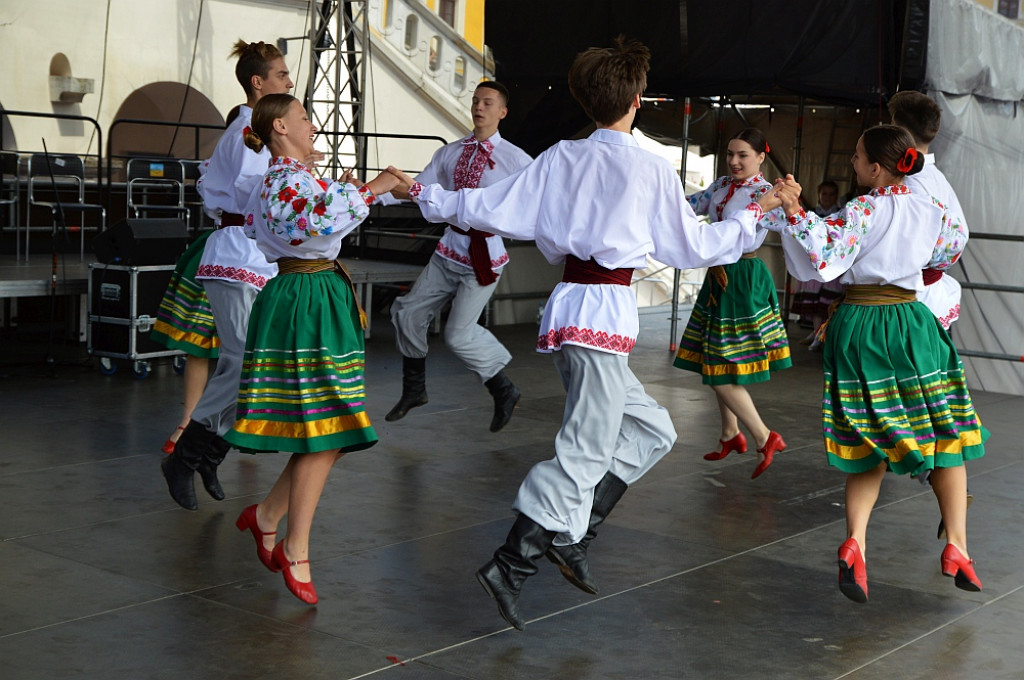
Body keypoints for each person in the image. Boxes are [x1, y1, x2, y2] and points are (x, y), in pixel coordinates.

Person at [389, 38, 782, 630]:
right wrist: (756, 213)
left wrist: (419, 190)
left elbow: (486, 206)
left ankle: (574, 535)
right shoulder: (647, 166)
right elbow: (694, 246)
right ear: (637, 100)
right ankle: (511, 564)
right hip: (598, 314)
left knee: (653, 428)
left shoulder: (559, 157)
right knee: (584, 448)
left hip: (578, 309)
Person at [769, 124, 986, 604]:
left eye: (857, 156)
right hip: (910, 320)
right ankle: (957, 546)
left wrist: (792, 209)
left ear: (876, 168)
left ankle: (856, 543)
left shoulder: (864, 207)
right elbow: (949, 249)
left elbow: (824, 253)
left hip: (862, 322)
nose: (851, 162)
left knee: (869, 439)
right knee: (944, 430)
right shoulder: (930, 205)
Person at [227, 93, 398, 604]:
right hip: (306, 297)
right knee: (326, 426)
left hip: (315, 294)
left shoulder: (291, 178)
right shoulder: (281, 180)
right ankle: (294, 545)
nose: (313, 125)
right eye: (304, 117)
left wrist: (351, 188)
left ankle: (268, 517)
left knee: (330, 425)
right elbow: (316, 224)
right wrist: (375, 186)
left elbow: (329, 217)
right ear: (280, 125)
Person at [161, 40, 290, 511]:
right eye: (280, 75)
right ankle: (187, 455)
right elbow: (258, 192)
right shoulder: (247, 134)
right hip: (236, 256)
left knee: (253, 363)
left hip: (253, 258)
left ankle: (210, 451)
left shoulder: (253, 133)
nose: (288, 81)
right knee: (238, 362)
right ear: (258, 83)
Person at [383, 81, 533, 432]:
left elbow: (537, 198)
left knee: (458, 334)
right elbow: (415, 188)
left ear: (502, 112)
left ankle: (503, 388)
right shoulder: (450, 153)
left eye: (488, 102)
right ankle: (414, 389)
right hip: (450, 249)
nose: (479, 107)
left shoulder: (515, 159)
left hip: (484, 255)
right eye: (476, 100)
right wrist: (369, 193)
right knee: (406, 313)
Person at [672, 128, 790, 479]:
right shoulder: (721, 185)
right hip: (720, 275)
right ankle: (729, 432)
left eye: (743, 155)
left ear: (760, 158)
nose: (735, 161)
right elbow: (687, 208)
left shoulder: (768, 194)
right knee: (714, 355)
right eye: (730, 154)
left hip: (742, 277)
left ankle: (764, 436)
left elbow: (794, 227)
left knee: (720, 364)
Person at [888, 89, 974, 538]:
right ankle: (947, 489)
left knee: (901, 410)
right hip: (926, 295)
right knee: (917, 405)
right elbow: (957, 240)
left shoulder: (911, 185)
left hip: (909, 302)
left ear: (899, 130)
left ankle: (945, 485)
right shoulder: (935, 180)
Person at [150, 107, 242, 454]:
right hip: (227, 250)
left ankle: (227, 423)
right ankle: (188, 423)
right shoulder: (226, 163)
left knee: (236, 349)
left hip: (250, 254)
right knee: (201, 342)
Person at [789, 181, 845, 350]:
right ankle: (816, 333)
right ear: (819, 194)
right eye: (824, 194)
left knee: (829, 303)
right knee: (815, 303)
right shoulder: (811, 214)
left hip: (832, 264)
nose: (827, 197)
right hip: (814, 264)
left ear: (836, 196)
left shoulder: (841, 214)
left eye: (831, 194)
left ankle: (824, 334)